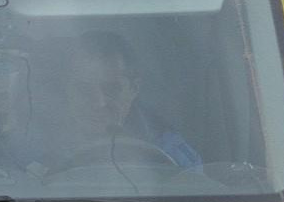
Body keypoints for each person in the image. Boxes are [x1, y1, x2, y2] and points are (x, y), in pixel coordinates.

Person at [39, 30, 199, 173]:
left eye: (111, 89)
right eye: (83, 89)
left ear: (134, 88)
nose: (98, 103)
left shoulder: (171, 152)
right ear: (66, 88)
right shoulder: (33, 146)